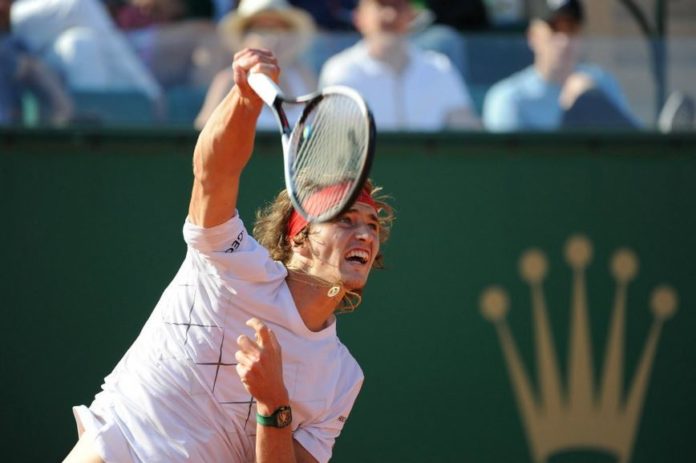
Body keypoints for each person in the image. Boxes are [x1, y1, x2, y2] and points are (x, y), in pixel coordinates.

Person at [64, 47, 394, 463]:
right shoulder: (228, 261)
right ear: (300, 237)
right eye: (346, 219)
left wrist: (274, 404)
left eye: (372, 226)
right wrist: (243, 100)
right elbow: (212, 174)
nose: (365, 233)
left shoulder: (342, 378)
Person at [318, 0, 479, 132]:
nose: (390, 15)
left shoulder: (439, 68)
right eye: (381, 5)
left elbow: (466, 130)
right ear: (359, 17)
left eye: (398, 6)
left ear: (411, 15)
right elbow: (331, 144)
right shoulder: (341, 72)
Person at [483, 0, 640, 132]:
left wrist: (595, 102)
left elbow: (634, 148)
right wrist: (577, 110)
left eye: (571, 29)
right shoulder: (508, 98)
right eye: (554, 29)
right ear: (533, 36)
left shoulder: (600, 83)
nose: (564, 40)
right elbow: (514, 159)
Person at [195, 0, 318, 130]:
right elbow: (204, 137)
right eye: (262, 30)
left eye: (279, 29)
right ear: (244, 36)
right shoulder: (227, 82)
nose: (273, 38)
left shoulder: (304, 77)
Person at [10, 0, 162, 102]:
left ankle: (95, 130)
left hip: (41, 36)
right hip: (11, 18)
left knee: (82, 44)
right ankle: (149, 93)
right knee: (81, 4)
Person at [0, 0, 74, 125]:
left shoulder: (14, 44)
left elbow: (33, 68)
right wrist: (62, 108)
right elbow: (31, 68)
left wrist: (62, 110)